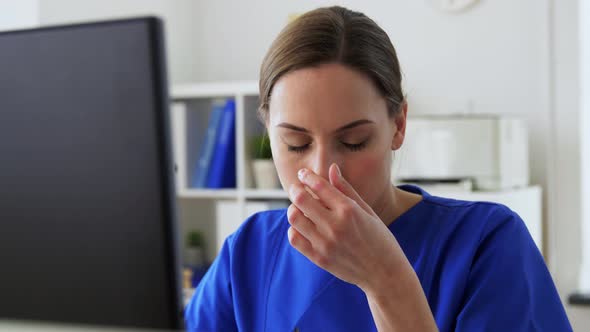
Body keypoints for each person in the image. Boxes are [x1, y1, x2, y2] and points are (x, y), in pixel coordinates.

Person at [184, 6, 571, 331]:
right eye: (296, 144)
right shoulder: (250, 251)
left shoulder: (486, 244)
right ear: (269, 131)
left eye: (353, 141)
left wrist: (387, 281)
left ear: (398, 125)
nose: (321, 172)